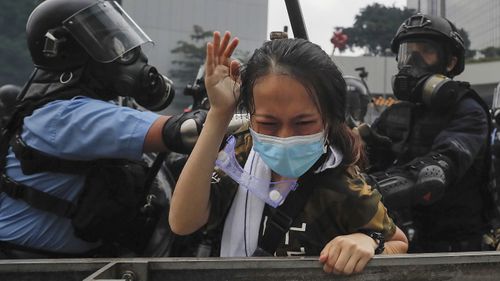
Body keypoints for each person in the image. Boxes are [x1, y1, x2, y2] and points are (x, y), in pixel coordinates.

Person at [169, 31, 408, 275]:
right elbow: (183, 222)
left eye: (303, 123)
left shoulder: (344, 185)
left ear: (329, 119)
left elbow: (398, 243)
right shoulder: (238, 159)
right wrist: (219, 113)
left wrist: (367, 242)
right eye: (268, 123)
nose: (285, 137)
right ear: (249, 118)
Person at [0, 0, 206, 258]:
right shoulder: (68, 116)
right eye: (110, 44)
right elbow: (183, 130)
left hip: (64, 265)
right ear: (66, 51)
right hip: (32, 270)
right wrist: (231, 112)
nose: (127, 54)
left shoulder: (75, 109)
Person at [360, 14, 494, 253]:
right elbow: (357, 163)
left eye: (425, 51)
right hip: (401, 243)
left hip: (457, 253)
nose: (412, 61)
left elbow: (433, 172)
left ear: (450, 62)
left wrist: (366, 189)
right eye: (407, 52)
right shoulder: (396, 113)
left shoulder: (469, 110)